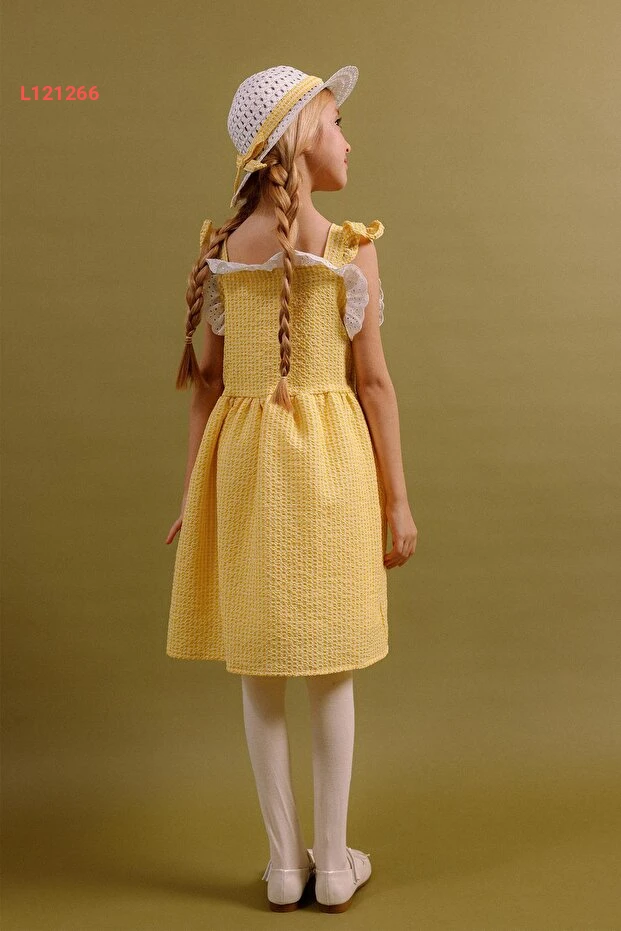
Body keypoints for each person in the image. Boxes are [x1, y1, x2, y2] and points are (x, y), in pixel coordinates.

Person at [165, 64, 418, 913]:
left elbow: (205, 388)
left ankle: (283, 864)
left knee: (260, 667)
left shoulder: (220, 249)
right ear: (304, 136)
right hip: (329, 468)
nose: (348, 138)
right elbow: (373, 384)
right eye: (336, 121)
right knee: (330, 667)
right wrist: (396, 500)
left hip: (245, 470)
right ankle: (334, 862)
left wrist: (191, 492)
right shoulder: (348, 248)